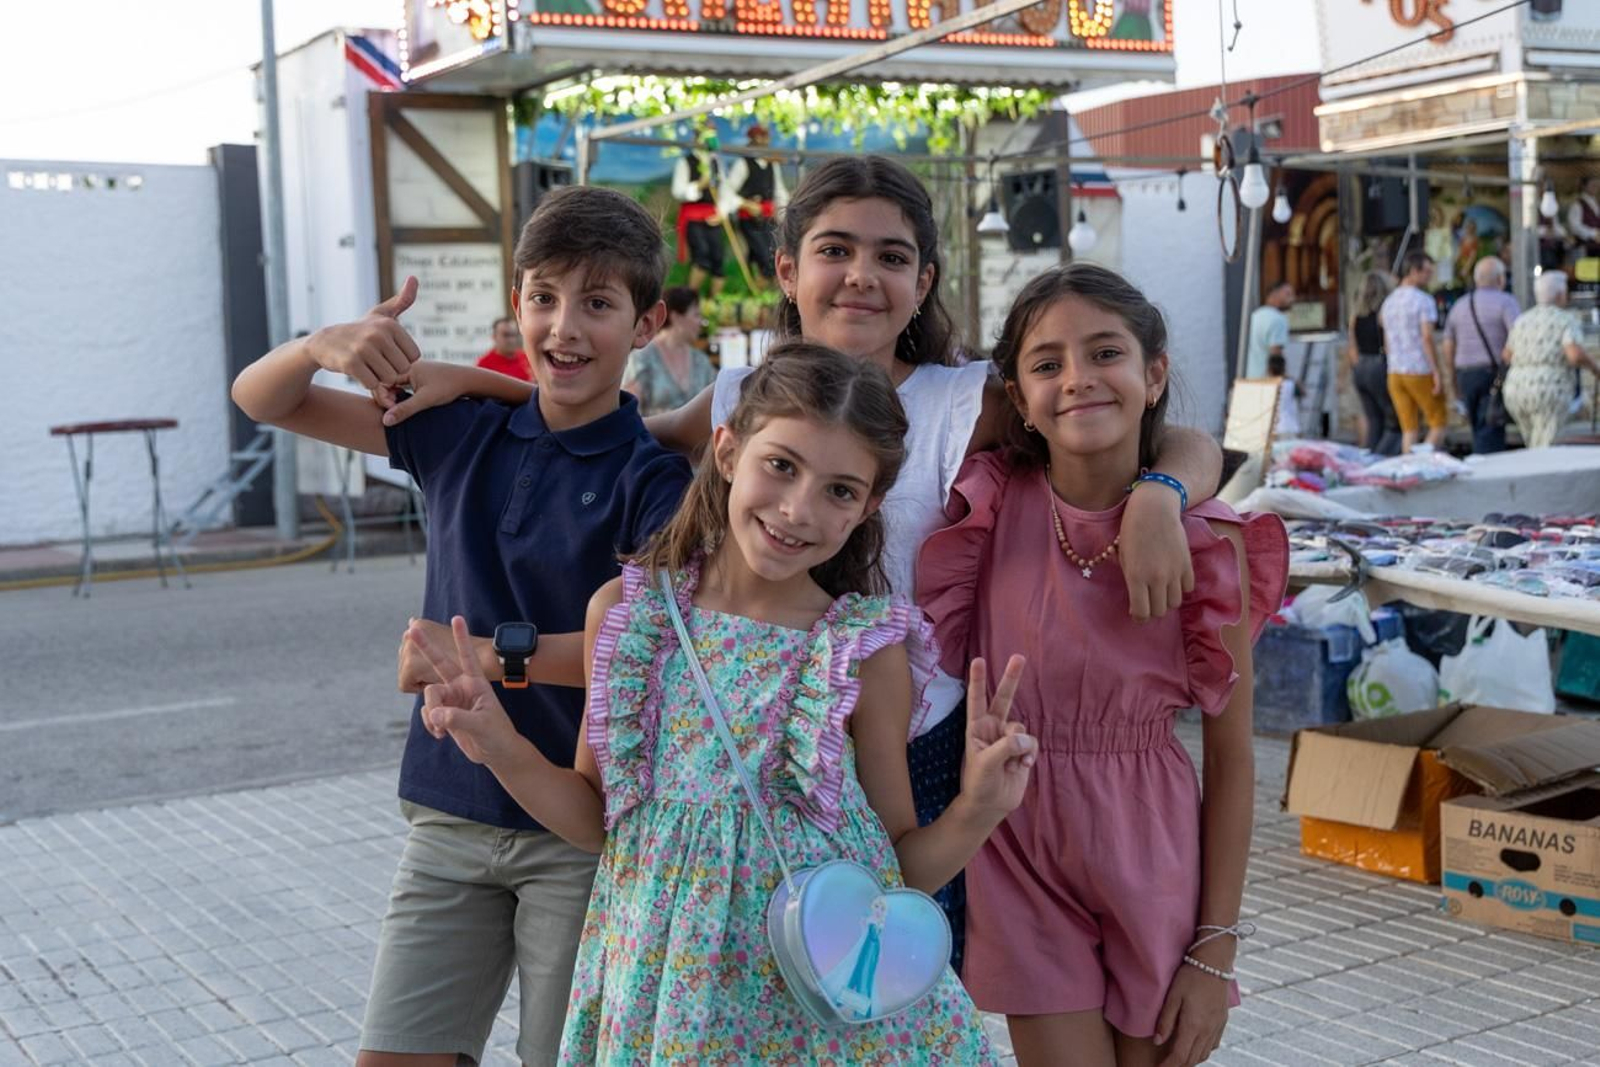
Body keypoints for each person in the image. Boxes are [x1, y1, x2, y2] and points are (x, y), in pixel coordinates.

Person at [376, 155, 1224, 972]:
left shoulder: (964, 398)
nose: (860, 275)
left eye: (890, 256)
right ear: (787, 270)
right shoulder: (740, 391)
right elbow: (607, 418)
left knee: (874, 983)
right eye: (834, 250)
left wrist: (1159, 492)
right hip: (735, 730)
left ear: (923, 282)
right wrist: (477, 383)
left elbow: (1152, 425)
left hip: (909, 738)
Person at [409, 346, 1034, 1063]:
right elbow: (591, 819)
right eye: (782, 465)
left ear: (869, 505)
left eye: (839, 490)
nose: (798, 508)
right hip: (670, 998)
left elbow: (896, 873)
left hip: (817, 1022)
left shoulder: (861, 648)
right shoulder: (630, 615)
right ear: (729, 450)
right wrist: (497, 741)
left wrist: (978, 807)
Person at [232, 185, 692, 1067]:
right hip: (449, 809)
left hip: (580, 825)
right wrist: (317, 345)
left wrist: (488, 660)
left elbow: (648, 655)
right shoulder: (461, 431)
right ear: (515, 301)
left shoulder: (655, 480)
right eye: (544, 297)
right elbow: (265, 401)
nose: (564, 327)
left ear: (646, 323)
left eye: (598, 303)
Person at [917, 263, 1287, 1067]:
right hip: (1016, 843)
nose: (1078, 379)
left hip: (1150, 849)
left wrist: (1214, 948)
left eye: (1105, 353)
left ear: (1154, 374)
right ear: (1017, 396)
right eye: (1047, 364)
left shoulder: (1209, 540)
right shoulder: (987, 504)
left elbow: (1229, 755)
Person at [1504, 270, 1600, 448]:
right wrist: (1595, 368)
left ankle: (1530, 470)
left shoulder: (1523, 319)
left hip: (1516, 388)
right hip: (1549, 387)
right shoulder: (1565, 319)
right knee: (1545, 444)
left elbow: (1507, 355)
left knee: (1532, 441)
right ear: (1560, 294)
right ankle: (1537, 473)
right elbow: (1574, 355)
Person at [1441, 256, 1520, 454]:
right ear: (1500, 279)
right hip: (1492, 374)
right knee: (1490, 429)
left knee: (1477, 427)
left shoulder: (1459, 305)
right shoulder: (1506, 302)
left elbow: (1448, 346)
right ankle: (1488, 475)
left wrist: (1452, 380)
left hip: (1464, 374)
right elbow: (1518, 337)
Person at [1380, 251, 1446, 453]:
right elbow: (1427, 337)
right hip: (1418, 368)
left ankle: (1408, 466)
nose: (1430, 277)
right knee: (1438, 422)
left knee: (1409, 429)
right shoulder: (1423, 300)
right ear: (1414, 271)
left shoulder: (1388, 302)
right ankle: (1423, 462)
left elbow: (1386, 338)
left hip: (1395, 370)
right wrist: (1436, 370)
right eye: (1427, 272)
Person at [623, 286, 716, 415]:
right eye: (696, 315)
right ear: (676, 317)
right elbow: (629, 413)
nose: (700, 322)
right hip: (651, 435)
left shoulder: (701, 361)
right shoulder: (643, 358)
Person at [720, 123, 789, 289]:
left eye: (765, 137)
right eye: (759, 137)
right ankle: (760, 293)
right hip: (749, 220)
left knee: (770, 255)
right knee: (766, 258)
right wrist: (745, 203)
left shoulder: (772, 165)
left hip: (768, 219)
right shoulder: (743, 164)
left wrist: (784, 216)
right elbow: (726, 190)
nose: (763, 141)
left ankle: (761, 295)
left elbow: (779, 191)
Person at [1345, 270, 1401, 455]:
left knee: (1373, 419)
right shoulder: (1384, 313)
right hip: (1379, 364)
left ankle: (1370, 457)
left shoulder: (1355, 316)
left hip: (1361, 366)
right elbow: (1388, 344)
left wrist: (1357, 366)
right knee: (1394, 421)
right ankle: (1383, 456)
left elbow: (1352, 346)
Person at [672, 133, 726, 296]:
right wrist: (698, 185)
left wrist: (722, 211)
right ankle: (689, 302)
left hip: (712, 216)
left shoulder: (716, 162)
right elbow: (678, 191)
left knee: (718, 259)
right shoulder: (685, 162)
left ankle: (712, 304)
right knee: (701, 257)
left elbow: (724, 191)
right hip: (693, 216)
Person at [1244, 281, 1293, 380]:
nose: (1292, 299)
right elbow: (1276, 357)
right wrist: (1289, 380)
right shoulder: (1278, 319)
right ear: (1274, 293)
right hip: (1266, 382)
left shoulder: (1254, 316)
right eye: (1287, 294)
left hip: (1248, 379)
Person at [475, 315, 529, 381]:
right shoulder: (484, 366)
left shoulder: (527, 359)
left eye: (514, 335)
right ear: (494, 337)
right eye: (506, 335)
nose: (511, 340)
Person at [1266, 353, 1301, 437]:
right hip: (1291, 427)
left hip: (1273, 430)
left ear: (1269, 369)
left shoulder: (1267, 386)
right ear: (1284, 368)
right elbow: (1303, 392)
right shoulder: (1291, 384)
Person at [1565, 176, 1600, 259]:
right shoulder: (1577, 204)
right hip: (1584, 247)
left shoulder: (1596, 203)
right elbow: (1574, 226)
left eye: (1596, 185)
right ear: (1584, 186)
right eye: (1592, 185)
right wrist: (1593, 233)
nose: (1595, 187)